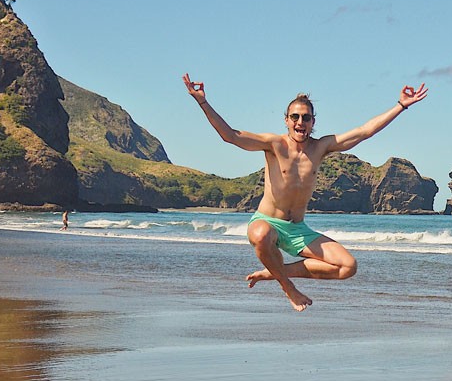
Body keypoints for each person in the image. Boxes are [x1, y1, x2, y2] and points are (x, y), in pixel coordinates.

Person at [182, 73, 428, 311]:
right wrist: (202, 100)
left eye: (306, 118)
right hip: (268, 222)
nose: (300, 122)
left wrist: (400, 106)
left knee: (347, 267)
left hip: (298, 230)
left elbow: (365, 131)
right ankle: (288, 287)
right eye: (295, 117)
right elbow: (230, 136)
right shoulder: (274, 144)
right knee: (260, 235)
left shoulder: (321, 147)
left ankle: (277, 271)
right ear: (286, 120)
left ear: (313, 122)